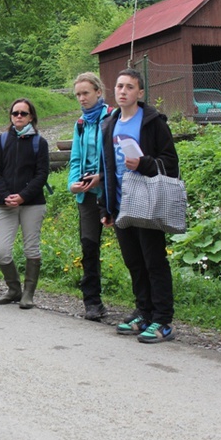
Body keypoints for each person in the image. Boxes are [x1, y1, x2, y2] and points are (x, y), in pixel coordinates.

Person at [98, 68, 179, 343]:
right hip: (121, 206)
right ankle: (144, 312)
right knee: (134, 262)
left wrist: (144, 164)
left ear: (140, 93)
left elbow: (170, 162)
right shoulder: (109, 123)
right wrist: (105, 207)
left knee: (154, 261)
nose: (123, 91)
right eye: (119, 86)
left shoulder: (153, 122)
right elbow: (106, 167)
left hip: (148, 204)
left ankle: (162, 321)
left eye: (129, 87)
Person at [0, 98, 50, 309]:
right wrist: (6, 194)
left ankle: (28, 294)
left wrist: (23, 195)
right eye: (15, 113)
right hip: (5, 204)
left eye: (23, 113)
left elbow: (42, 174)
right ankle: (14, 289)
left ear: (31, 116)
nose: (19, 117)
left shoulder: (39, 143)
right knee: (2, 250)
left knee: (31, 249)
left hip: (32, 204)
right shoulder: (2, 140)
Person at [67, 73, 111, 320]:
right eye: (78, 95)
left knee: (132, 249)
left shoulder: (112, 118)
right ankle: (92, 303)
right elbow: (75, 158)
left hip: (111, 193)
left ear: (98, 92)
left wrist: (101, 177)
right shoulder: (81, 124)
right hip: (87, 197)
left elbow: (116, 158)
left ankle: (143, 305)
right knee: (89, 247)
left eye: (85, 93)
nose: (82, 98)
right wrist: (72, 184)